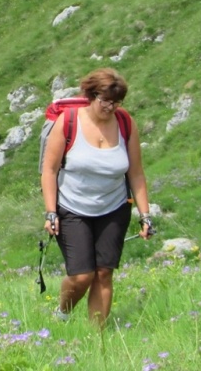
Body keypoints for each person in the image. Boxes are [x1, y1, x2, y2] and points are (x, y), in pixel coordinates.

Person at [40, 68, 153, 328]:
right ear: (91, 95)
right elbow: (49, 170)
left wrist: (145, 215)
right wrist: (50, 212)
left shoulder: (125, 123)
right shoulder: (68, 121)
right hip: (71, 208)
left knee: (103, 274)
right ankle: (62, 314)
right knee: (82, 276)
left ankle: (96, 337)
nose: (110, 108)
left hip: (114, 208)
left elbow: (136, 173)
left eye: (116, 102)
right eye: (105, 101)